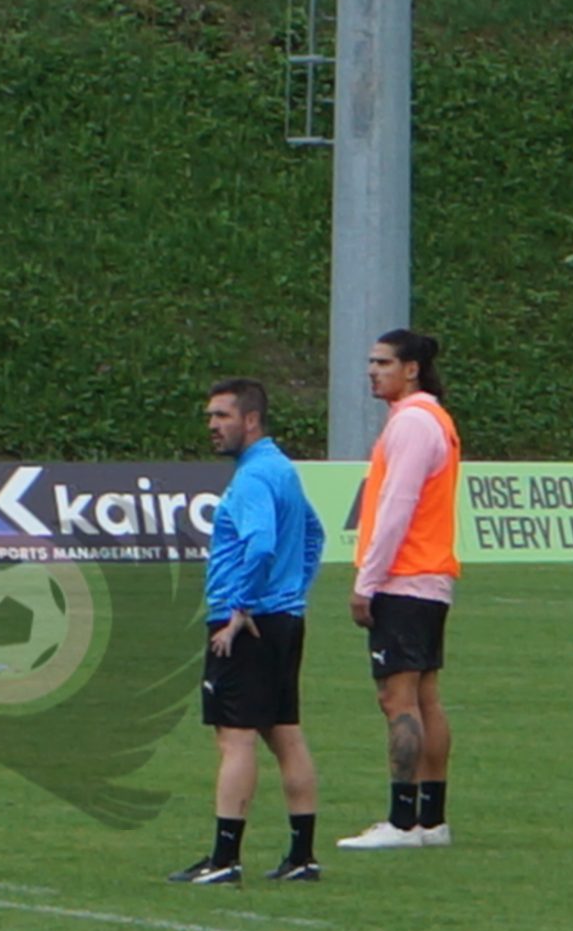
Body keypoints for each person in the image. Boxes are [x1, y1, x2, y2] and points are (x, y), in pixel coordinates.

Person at [170, 379, 325, 885]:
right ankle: (302, 857)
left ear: (251, 419)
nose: (213, 426)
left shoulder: (256, 477)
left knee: (234, 739)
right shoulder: (282, 470)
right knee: (285, 733)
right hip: (282, 618)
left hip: (249, 623)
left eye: (222, 416)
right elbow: (314, 534)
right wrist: (293, 592)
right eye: (210, 416)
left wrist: (239, 608)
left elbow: (259, 546)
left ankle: (225, 858)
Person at [340, 330, 461, 851]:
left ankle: (402, 821)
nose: (372, 371)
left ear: (411, 369)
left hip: (405, 578)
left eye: (383, 362)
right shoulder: (433, 420)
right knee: (426, 696)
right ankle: (431, 820)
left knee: (398, 698)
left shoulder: (411, 423)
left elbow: (396, 506)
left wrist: (367, 579)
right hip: (430, 578)